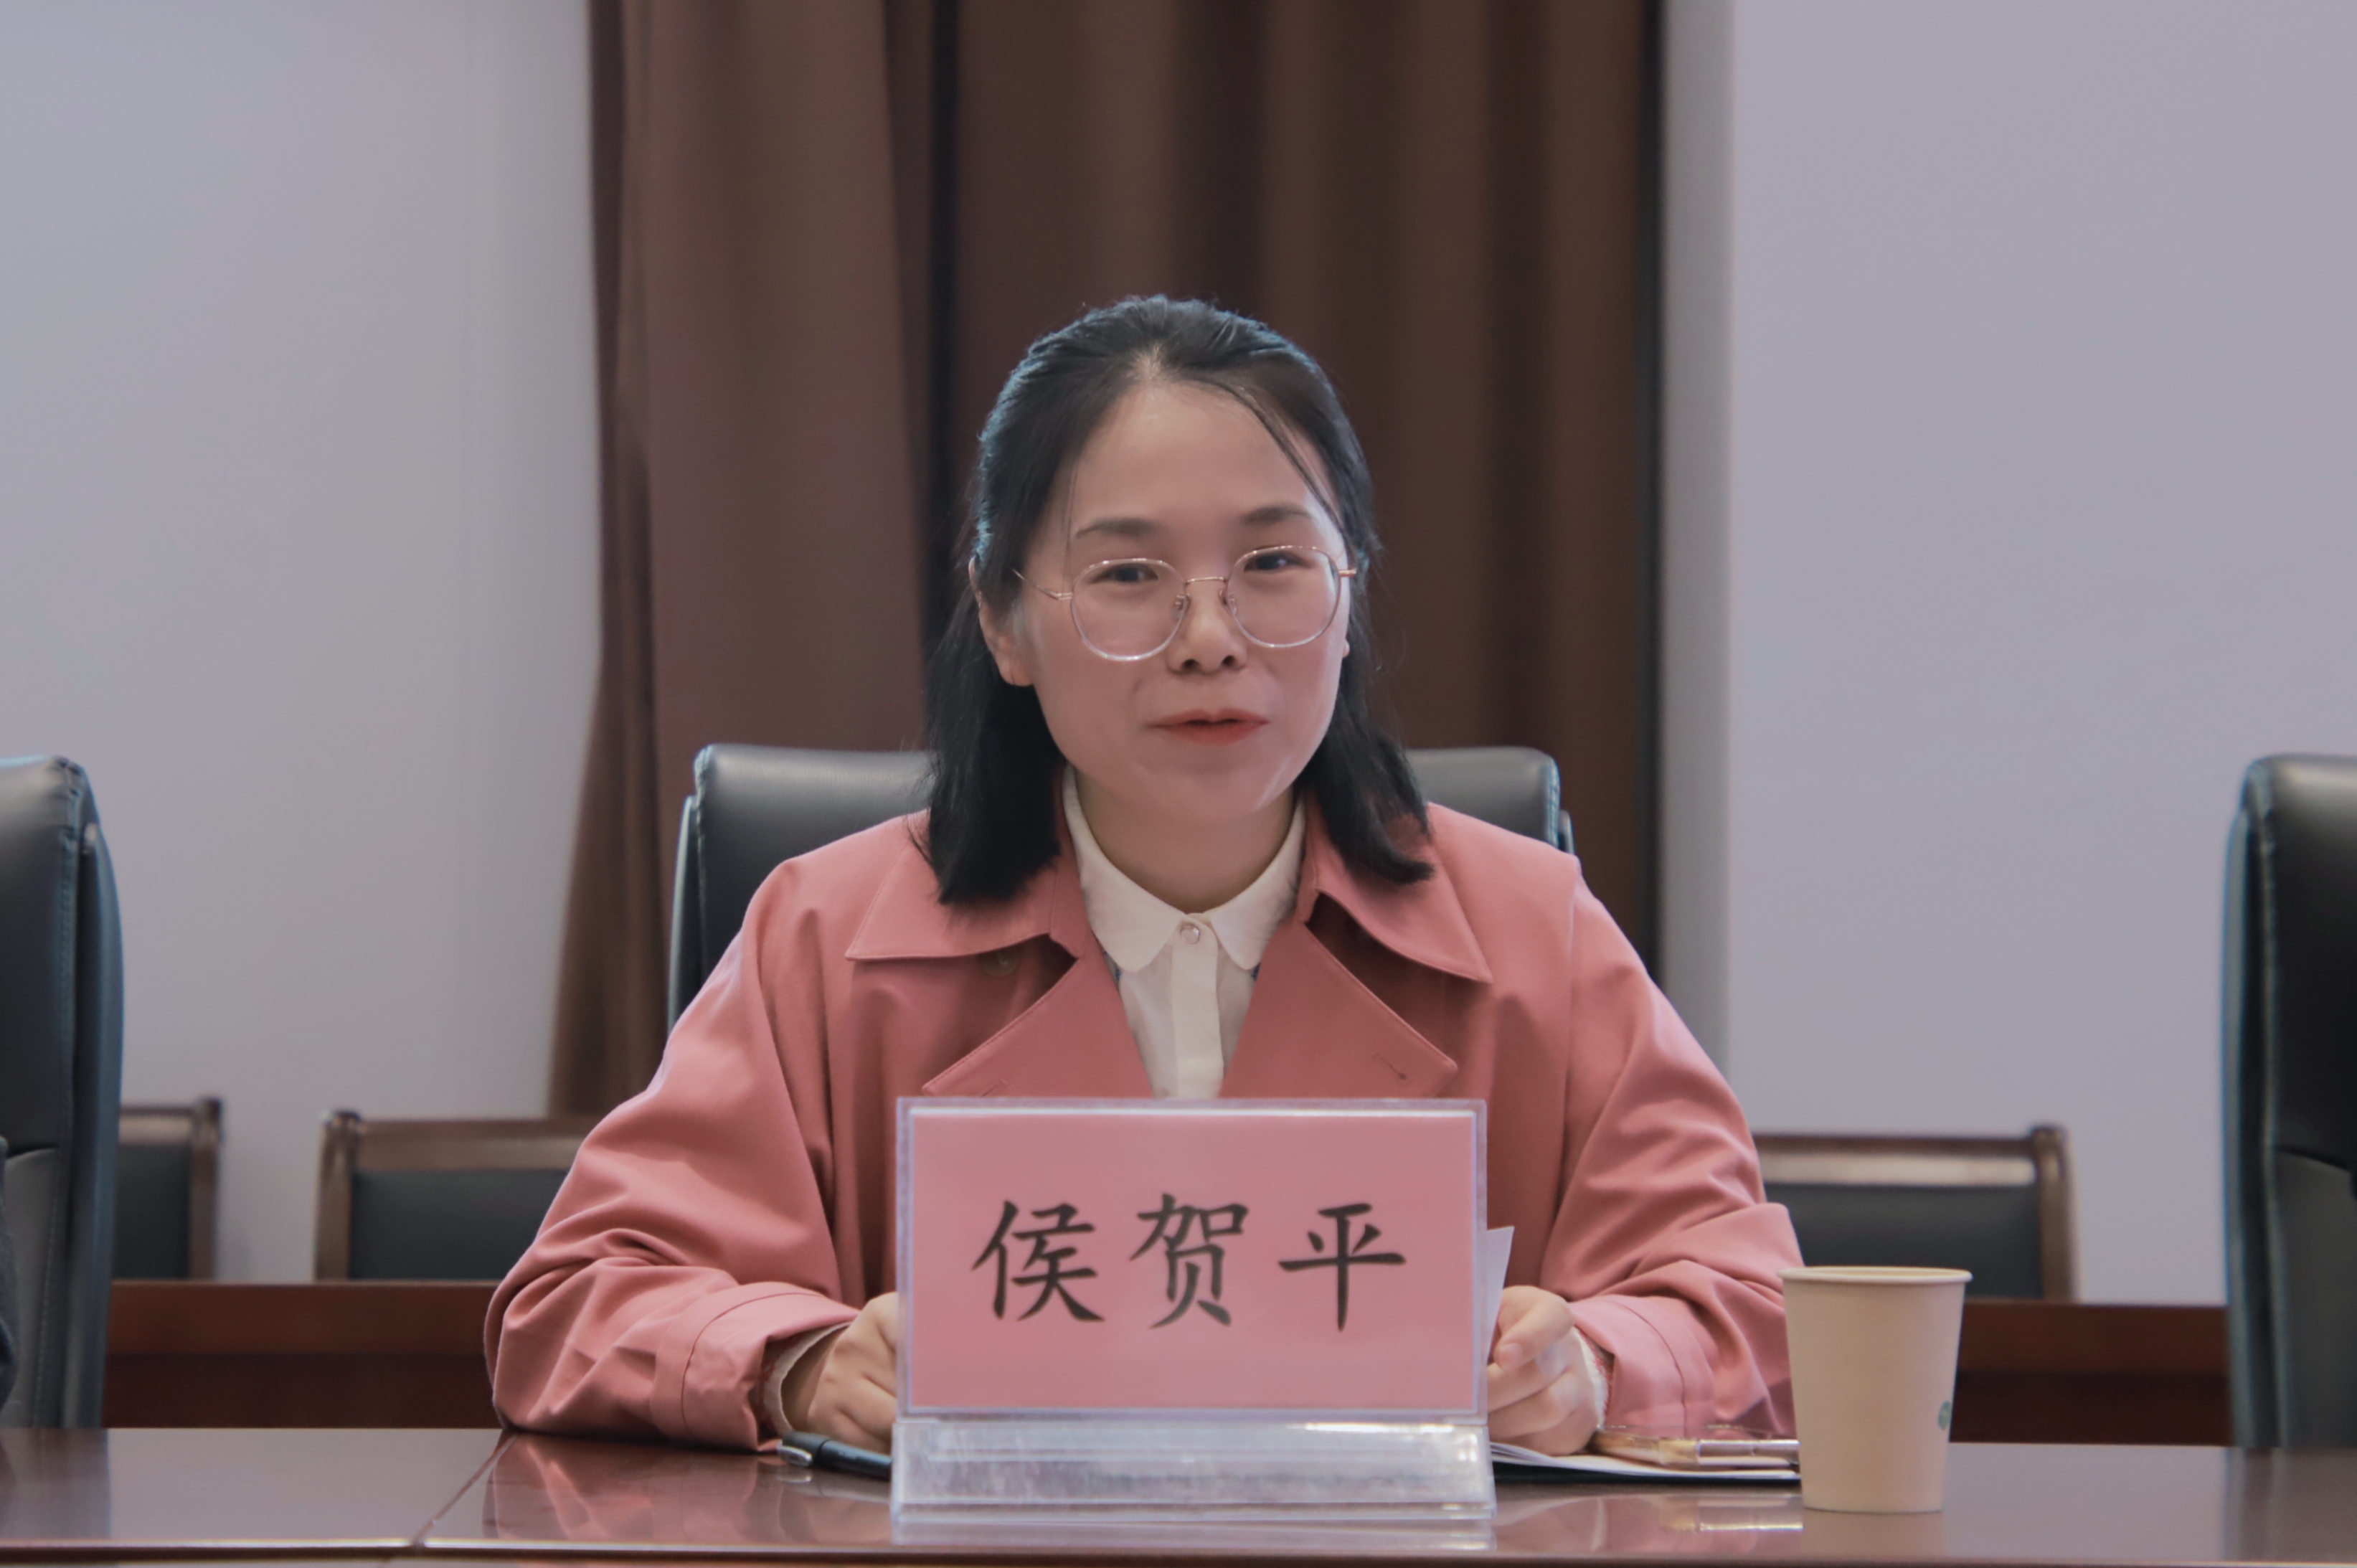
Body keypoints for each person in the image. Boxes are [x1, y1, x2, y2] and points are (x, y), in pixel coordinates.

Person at [488, 297, 1800, 1456]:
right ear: (1003, 620)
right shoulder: (827, 935)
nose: (1210, 638)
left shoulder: (1530, 931)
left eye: (1273, 564)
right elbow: (578, 1295)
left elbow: (1751, 1303)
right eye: (1127, 575)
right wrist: (800, 1363)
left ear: (1349, 594)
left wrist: (1596, 1364)